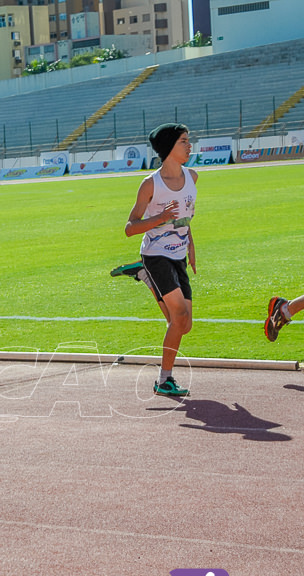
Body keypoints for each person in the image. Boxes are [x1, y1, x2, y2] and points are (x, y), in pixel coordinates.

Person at [123, 123, 197, 397]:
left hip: (178, 254)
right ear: (168, 149)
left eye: (189, 140)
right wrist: (159, 219)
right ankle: (164, 380)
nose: (189, 145)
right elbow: (130, 227)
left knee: (183, 325)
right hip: (155, 254)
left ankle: (146, 280)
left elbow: (186, 217)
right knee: (178, 316)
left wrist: (191, 246)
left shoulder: (193, 177)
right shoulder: (150, 184)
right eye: (183, 141)